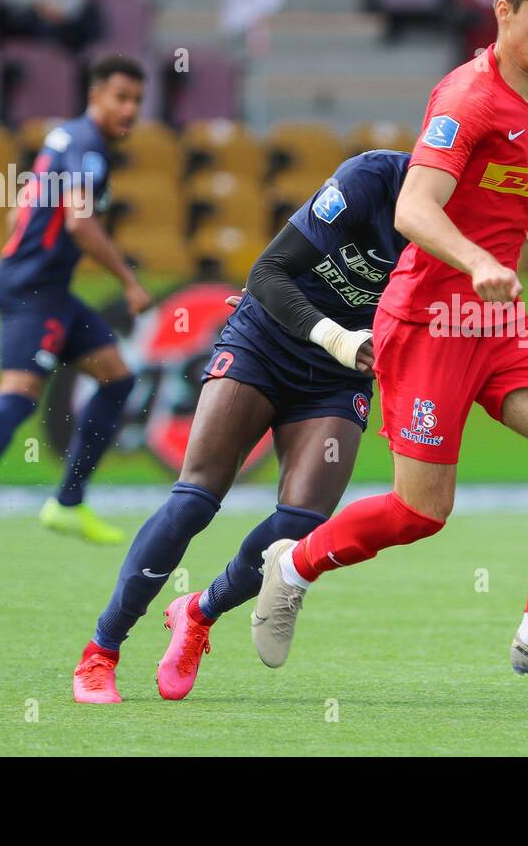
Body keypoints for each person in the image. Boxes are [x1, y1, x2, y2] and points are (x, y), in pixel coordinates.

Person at [250, 0, 528, 691]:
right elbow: (415, 207)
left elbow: (517, 189)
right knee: (423, 512)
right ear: (503, 13)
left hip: (497, 324)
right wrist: (480, 262)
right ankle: (292, 563)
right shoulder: (466, 98)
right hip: (429, 322)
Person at [72, 149, 411, 703]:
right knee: (194, 501)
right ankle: (100, 654)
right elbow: (267, 271)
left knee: (297, 527)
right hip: (265, 343)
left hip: (337, 376)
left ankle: (199, 613)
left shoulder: (457, 228)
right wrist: (332, 334)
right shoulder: (370, 178)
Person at [0, 55, 153, 561]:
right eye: (121, 97)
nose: (130, 109)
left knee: (118, 377)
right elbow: (79, 223)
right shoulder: (88, 146)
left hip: (44, 287)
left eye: (137, 100)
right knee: (21, 394)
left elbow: (19, 207)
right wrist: (129, 282)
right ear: (95, 96)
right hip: (35, 290)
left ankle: (68, 502)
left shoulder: (63, 138)